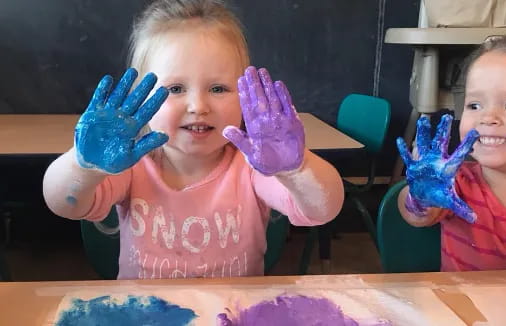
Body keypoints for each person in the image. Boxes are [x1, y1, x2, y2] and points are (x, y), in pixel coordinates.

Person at [43, 0, 344, 279]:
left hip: (234, 314)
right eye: (175, 89)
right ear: (140, 96)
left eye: (218, 89)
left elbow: (323, 209)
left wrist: (296, 168)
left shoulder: (252, 167)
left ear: (244, 96)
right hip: (146, 315)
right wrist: (84, 166)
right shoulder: (132, 166)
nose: (198, 106)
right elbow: (64, 204)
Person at [396, 35, 506, 271]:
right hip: (462, 307)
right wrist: (420, 198)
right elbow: (415, 215)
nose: (488, 118)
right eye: (474, 105)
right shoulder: (457, 184)